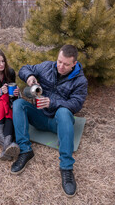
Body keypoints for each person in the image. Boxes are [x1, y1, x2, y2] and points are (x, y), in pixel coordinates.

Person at [10, 45, 88, 197]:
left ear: (74, 63)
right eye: (59, 61)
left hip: (59, 123)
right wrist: (29, 77)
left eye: (66, 64)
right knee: (18, 103)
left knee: (64, 112)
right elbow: (24, 69)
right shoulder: (47, 66)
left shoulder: (81, 81)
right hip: (40, 117)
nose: (61, 66)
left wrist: (51, 102)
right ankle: (25, 151)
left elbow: (76, 104)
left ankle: (66, 168)